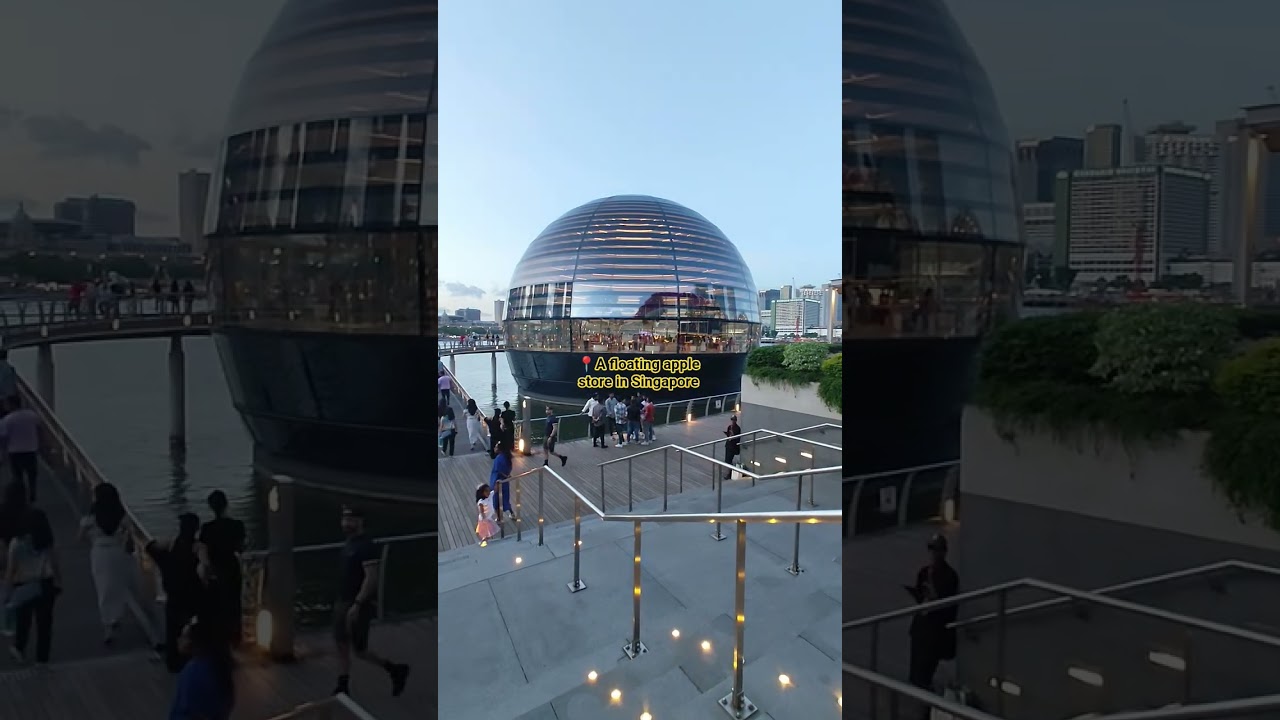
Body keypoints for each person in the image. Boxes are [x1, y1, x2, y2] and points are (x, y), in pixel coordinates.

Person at [332, 506, 410, 697]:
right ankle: (343, 684)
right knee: (340, 642)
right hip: (342, 600)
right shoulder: (349, 543)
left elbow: (371, 578)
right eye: (344, 519)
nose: (346, 523)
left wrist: (358, 604)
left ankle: (394, 669)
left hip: (355, 603)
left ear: (360, 522)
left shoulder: (366, 546)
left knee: (360, 649)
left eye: (351, 519)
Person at [79, 482, 133, 644]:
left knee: (103, 588)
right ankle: (116, 617)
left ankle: (108, 626)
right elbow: (129, 539)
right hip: (118, 552)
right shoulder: (121, 515)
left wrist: (92, 538)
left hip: (99, 553)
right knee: (118, 587)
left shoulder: (91, 518)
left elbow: (79, 538)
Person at [906, 533, 960, 696]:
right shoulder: (924, 572)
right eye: (931, 549)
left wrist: (934, 597)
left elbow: (949, 605)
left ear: (943, 552)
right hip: (921, 625)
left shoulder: (950, 576)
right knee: (915, 667)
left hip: (935, 629)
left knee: (926, 668)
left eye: (936, 550)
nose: (933, 553)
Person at [147, 513, 202, 672]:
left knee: (173, 631)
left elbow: (150, 547)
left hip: (174, 597)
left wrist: (165, 543)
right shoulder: (197, 550)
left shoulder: (170, 552)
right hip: (194, 597)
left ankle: (174, 662)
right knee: (195, 628)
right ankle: (195, 659)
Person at [6, 507, 60, 665]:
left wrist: (8, 590)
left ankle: (19, 648)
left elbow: (11, 569)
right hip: (45, 584)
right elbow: (54, 563)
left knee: (23, 620)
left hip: (23, 585)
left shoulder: (16, 543)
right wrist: (59, 579)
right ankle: (42, 659)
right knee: (45, 624)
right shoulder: (46, 541)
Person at [199, 491, 246, 647]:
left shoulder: (206, 529)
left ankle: (220, 637)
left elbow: (203, 552)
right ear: (226, 504)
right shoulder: (237, 525)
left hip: (216, 569)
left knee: (217, 604)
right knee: (234, 602)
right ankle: (236, 637)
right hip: (232, 567)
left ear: (211, 507)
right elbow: (240, 548)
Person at [167, 617, 235, 720]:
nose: (179, 639)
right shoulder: (217, 667)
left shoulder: (193, 671)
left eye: (183, 636)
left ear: (192, 641)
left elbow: (191, 709)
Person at [0, 396, 40, 502]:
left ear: (11, 404)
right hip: (31, 449)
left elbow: (4, 438)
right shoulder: (32, 415)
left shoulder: (7, 420)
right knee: (32, 475)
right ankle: (32, 494)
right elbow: (39, 430)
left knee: (18, 477)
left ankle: (21, 496)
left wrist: (3, 454)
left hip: (15, 452)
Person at [489, 441, 514, 521]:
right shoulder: (507, 457)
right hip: (505, 482)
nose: (494, 448)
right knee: (505, 499)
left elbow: (499, 470)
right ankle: (511, 513)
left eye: (496, 447)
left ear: (499, 449)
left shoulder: (498, 459)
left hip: (497, 480)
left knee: (496, 500)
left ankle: (498, 518)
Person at [722, 415, 742, 480]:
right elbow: (728, 435)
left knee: (729, 460)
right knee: (727, 460)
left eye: (733, 420)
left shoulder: (737, 428)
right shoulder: (729, 427)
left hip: (733, 446)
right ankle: (729, 472)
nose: (732, 421)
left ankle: (729, 473)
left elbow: (738, 437)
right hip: (728, 445)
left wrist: (733, 435)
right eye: (732, 420)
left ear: (735, 420)